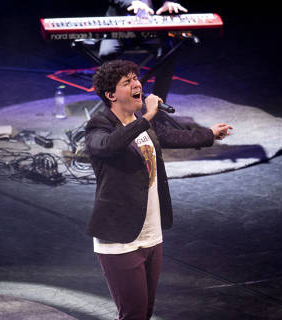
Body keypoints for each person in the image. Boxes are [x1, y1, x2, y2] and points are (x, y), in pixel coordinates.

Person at [85, 59, 232, 320]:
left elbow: (172, 136)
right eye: (127, 82)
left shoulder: (142, 123)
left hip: (151, 233)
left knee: (146, 312)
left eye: (136, 78)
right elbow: (108, 146)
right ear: (111, 95)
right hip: (120, 239)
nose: (137, 84)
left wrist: (208, 134)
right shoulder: (100, 125)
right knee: (133, 315)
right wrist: (149, 115)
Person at [98, 1, 188, 103]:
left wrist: (169, 2)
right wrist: (131, 2)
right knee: (107, 53)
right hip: (119, 29)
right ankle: (114, 103)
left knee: (168, 53)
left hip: (151, 28)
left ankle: (158, 105)